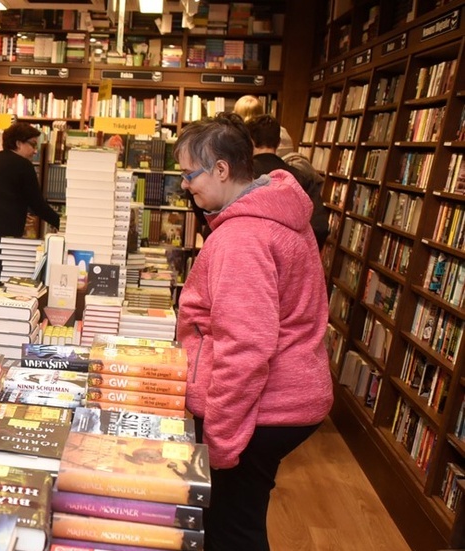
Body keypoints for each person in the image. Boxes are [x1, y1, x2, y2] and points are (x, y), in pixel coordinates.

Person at [173, 113, 333, 551]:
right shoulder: (278, 213)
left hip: (261, 409)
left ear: (221, 169)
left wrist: (220, 442)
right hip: (288, 396)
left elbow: (245, 347)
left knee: (231, 528)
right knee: (239, 516)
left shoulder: (243, 237)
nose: (186, 185)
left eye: (190, 174)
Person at [0, 122, 61, 303]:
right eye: (32, 144)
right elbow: (37, 204)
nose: (35, 150)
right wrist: (62, 223)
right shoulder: (23, 166)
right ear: (17, 143)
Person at [246, 114, 330, 248]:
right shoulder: (301, 177)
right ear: (278, 142)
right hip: (292, 260)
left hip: (248, 255)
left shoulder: (241, 177)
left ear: (250, 141)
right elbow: (320, 227)